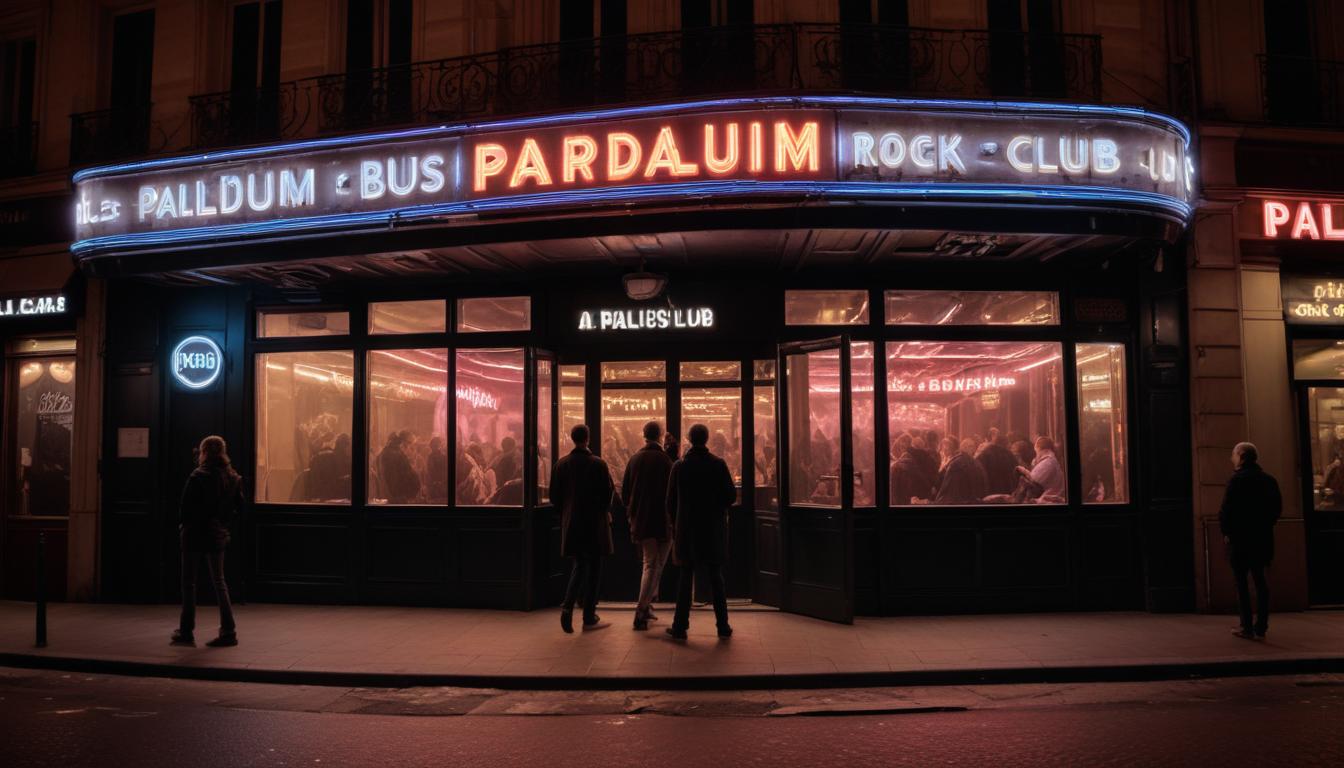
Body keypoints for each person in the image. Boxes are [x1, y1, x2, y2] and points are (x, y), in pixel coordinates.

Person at [665, 423, 737, 640]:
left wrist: (677, 522)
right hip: (713, 529)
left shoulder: (679, 466)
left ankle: (680, 626)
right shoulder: (718, 464)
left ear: (689, 439)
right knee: (716, 578)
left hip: (687, 530)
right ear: (707, 439)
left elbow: (670, 502)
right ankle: (723, 625)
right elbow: (730, 496)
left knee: (686, 577)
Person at [173, 436, 244, 648]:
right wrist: (223, 525)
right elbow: (239, 508)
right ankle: (228, 631)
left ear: (203, 452)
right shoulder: (232, 477)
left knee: (189, 583)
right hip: (216, 533)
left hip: (194, 534)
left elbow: (185, 508)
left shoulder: (197, 476)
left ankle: (186, 631)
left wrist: (184, 526)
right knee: (220, 582)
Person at [550, 424, 615, 633]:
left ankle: (568, 608)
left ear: (572, 439)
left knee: (579, 564)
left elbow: (554, 497)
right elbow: (607, 494)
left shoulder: (561, 465)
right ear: (587, 439)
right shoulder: (599, 464)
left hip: (572, 524)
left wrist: (566, 513)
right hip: (595, 524)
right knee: (594, 567)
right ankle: (588, 614)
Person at [1220, 442, 1282, 640]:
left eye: (1234, 454)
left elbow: (1226, 510)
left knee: (1241, 583)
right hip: (1262, 538)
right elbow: (1276, 509)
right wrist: (1264, 525)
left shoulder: (1236, 480)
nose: (1232, 458)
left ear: (1241, 456)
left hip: (1240, 539)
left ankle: (1246, 626)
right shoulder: (1269, 480)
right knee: (1260, 581)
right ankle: (1261, 625)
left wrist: (1227, 532)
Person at [621, 421, 675, 631]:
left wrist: (631, 514)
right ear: (660, 435)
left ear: (644, 435)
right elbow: (673, 491)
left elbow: (625, 492)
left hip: (641, 520)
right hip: (663, 520)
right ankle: (641, 610)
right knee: (655, 564)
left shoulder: (634, 459)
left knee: (651, 563)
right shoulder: (666, 460)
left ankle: (647, 605)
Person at [935, 438, 987, 504]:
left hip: (958, 501)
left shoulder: (955, 463)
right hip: (976, 501)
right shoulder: (977, 464)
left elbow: (946, 489)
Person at [1016, 436, 1066, 503]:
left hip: (1047, 499)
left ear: (1039, 449)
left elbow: (1034, 482)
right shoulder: (1049, 460)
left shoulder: (1048, 462)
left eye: (1036, 451)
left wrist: (1023, 471)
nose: (1036, 454)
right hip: (1048, 497)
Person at [889, 433, 933, 505]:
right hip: (911, 496)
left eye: (903, 445)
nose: (901, 446)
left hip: (908, 497)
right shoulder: (916, 458)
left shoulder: (905, 461)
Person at [378, 431, 421, 503]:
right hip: (398, 496)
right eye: (410, 445)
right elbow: (401, 477)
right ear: (405, 443)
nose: (410, 449)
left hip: (395, 494)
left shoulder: (390, 451)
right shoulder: (397, 455)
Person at [976, 429, 1019, 496]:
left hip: (989, 492)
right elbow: (1016, 475)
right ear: (1006, 444)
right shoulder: (1010, 456)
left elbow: (978, 469)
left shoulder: (985, 453)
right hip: (1007, 492)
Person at [427, 436, 449, 502]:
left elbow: (445, 471)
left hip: (440, 484)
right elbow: (430, 470)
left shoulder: (443, 457)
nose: (434, 448)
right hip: (436, 484)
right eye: (433, 446)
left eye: (436, 446)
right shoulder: (431, 457)